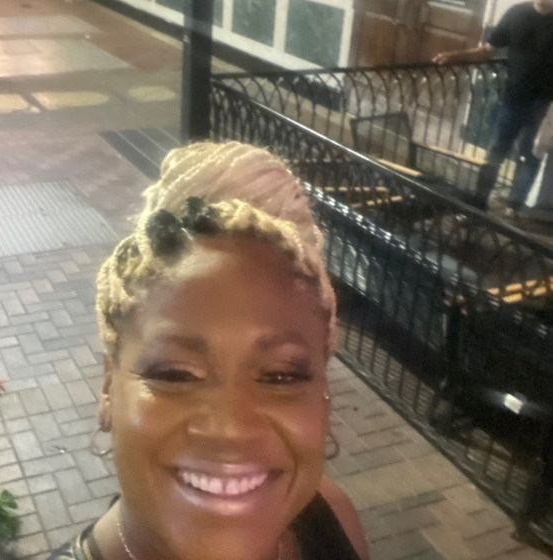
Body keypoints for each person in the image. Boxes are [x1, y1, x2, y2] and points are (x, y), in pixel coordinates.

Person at [48, 141, 368, 560]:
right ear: (108, 388)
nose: (229, 429)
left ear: (325, 396)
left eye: (281, 375)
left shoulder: (332, 517)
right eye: (175, 374)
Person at [433, 0, 553, 212]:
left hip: (544, 104)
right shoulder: (516, 13)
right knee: (496, 150)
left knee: (530, 155)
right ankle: (479, 202)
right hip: (513, 98)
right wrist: (456, 56)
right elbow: (488, 50)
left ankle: (514, 209)